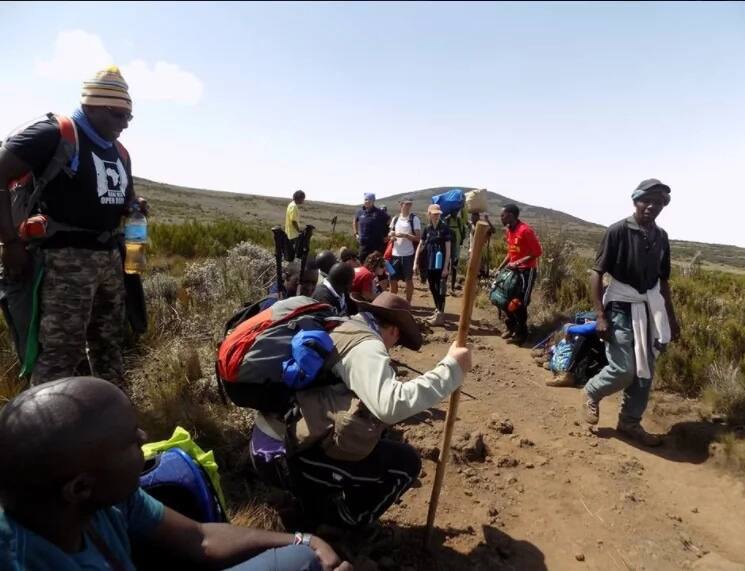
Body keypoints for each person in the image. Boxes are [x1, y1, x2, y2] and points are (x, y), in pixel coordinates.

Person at [0, 377, 352, 571]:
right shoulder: (19, 558)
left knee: (304, 560)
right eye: (129, 440)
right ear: (79, 487)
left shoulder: (109, 500)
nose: (145, 439)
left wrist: (303, 540)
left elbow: (199, 538)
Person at [251, 293, 472, 529]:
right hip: (282, 456)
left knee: (375, 435)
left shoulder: (345, 325)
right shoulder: (366, 346)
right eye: (397, 341)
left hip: (272, 441)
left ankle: (315, 500)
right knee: (405, 464)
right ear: (395, 331)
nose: (393, 347)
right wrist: (450, 370)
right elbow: (390, 405)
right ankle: (343, 522)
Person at [0, 66, 148, 386]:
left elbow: (122, 199)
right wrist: (10, 244)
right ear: (92, 106)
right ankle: (46, 428)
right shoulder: (53, 134)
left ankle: (112, 414)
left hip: (109, 257)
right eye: (118, 114)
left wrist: (132, 207)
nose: (124, 124)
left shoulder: (120, 152)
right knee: (60, 352)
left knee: (108, 343)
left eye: (129, 117)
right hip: (64, 261)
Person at [582, 179, 680, 447]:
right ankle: (592, 391)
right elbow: (596, 272)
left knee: (645, 369)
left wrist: (671, 318)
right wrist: (600, 315)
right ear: (635, 200)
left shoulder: (661, 237)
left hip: (649, 307)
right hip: (620, 306)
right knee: (624, 369)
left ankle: (629, 422)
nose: (652, 206)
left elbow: (663, 280)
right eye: (646, 200)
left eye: (658, 202)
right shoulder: (617, 231)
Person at [495, 204, 543, 345]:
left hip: (526, 272)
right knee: (505, 299)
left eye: (502, 215)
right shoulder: (509, 230)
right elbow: (511, 253)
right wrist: (500, 267)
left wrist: (518, 263)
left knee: (519, 303)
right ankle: (511, 327)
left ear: (510, 215)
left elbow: (537, 252)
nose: (501, 218)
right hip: (512, 272)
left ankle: (522, 334)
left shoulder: (525, 231)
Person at [414, 204, 451, 327]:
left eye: (438, 214)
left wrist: (446, 267)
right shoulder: (427, 228)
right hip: (429, 263)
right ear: (429, 214)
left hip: (441, 265)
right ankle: (437, 312)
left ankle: (440, 316)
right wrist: (415, 262)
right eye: (434, 214)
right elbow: (420, 245)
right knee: (432, 287)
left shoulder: (444, 228)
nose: (436, 216)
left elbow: (448, 249)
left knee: (440, 288)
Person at [388, 198, 421, 303]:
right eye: (406, 204)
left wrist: (405, 235)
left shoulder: (414, 219)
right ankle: (393, 301)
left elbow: (418, 237)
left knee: (408, 279)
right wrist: (391, 236)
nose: (408, 206)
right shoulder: (395, 219)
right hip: (395, 254)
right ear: (401, 205)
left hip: (408, 254)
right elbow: (390, 233)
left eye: (409, 204)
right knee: (392, 279)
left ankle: (408, 302)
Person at [352, 193, 389, 263]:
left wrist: (387, 235)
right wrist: (356, 234)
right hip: (363, 245)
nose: (367, 201)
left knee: (375, 265)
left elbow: (388, 220)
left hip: (376, 246)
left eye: (369, 200)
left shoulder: (379, 212)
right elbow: (355, 221)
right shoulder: (360, 212)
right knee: (362, 264)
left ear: (373, 201)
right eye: (365, 199)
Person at [443, 205, 467, 295]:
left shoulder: (459, 221)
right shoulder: (447, 220)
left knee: (454, 267)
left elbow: (464, 233)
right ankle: (444, 286)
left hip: (456, 248)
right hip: (447, 247)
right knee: (446, 266)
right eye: (454, 211)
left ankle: (452, 287)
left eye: (457, 211)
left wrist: (460, 241)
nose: (455, 213)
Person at [469, 211, 496, 278]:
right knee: (472, 268)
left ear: (478, 217)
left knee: (480, 267)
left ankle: (480, 279)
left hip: (480, 249)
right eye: (472, 216)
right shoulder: (471, 225)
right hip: (472, 249)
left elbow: (493, 230)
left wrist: (487, 220)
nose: (472, 218)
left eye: (474, 216)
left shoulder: (483, 226)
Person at [285, 190, 306, 259]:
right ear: (299, 198)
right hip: (293, 234)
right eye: (303, 199)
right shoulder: (293, 207)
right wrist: (299, 230)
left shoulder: (291, 205)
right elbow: (293, 221)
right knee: (292, 254)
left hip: (290, 233)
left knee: (290, 253)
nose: (303, 200)